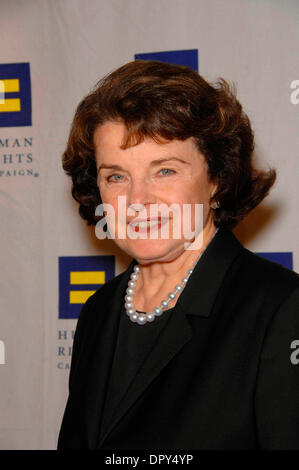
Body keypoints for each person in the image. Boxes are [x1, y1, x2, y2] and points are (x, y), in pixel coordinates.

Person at [57, 60, 299, 450]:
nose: (138, 200)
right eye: (116, 176)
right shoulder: (98, 312)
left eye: (165, 170)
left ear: (217, 179)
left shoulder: (279, 309)